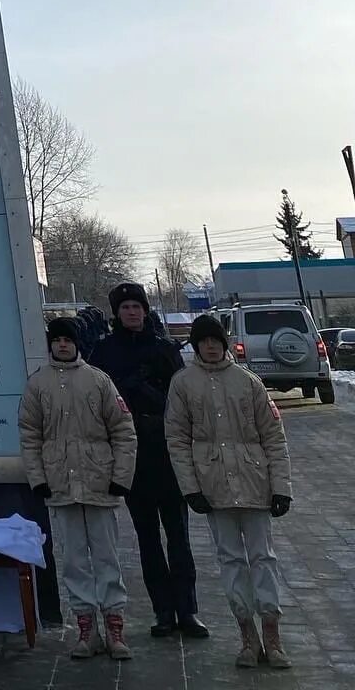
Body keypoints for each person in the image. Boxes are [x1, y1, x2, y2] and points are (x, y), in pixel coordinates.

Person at [165, 313, 294, 670]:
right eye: (203, 340)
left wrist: (281, 487)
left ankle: (273, 635)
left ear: (223, 343)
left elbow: (273, 436)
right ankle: (247, 637)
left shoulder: (248, 382)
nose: (210, 346)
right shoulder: (183, 384)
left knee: (263, 559)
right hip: (214, 487)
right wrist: (191, 488)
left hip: (255, 485)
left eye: (215, 340)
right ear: (195, 344)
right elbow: (176, 439)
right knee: (231, 561)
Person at [90, 282, 206, 639]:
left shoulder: (165, 348)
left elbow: (181, 397)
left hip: (167, 452)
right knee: (147, 540)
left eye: (137, 307)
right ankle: (163, 612)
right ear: (117, 313)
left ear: (145, 310)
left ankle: (187, 610)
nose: (132, 313)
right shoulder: (104, 352)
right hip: (132, 455)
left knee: (179, 538)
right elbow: (99, 402)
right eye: (125, 307)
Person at [19, 316, 137, 661]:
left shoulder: (99, 381)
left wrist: (121, 476)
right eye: (56, 340)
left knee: (106, 556)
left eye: (67, 340)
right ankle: (86, 627)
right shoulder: (37, 384)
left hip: (100, 482)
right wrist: (38, 478)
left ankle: (115, 625)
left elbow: (123, 430)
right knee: (73, 560)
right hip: (60, 484)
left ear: (77, 344)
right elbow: (30, 435)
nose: (62, 345)